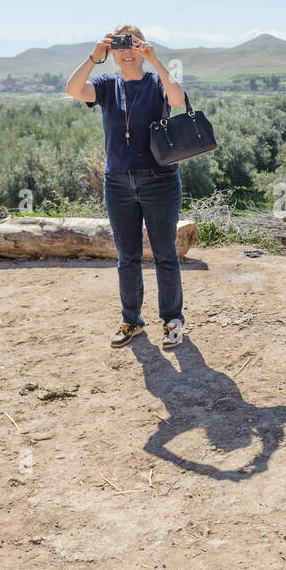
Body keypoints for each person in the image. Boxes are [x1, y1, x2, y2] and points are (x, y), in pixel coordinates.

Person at [65, 25, 188, 349]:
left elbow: (176, 98)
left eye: (133, 44)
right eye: (120, 45)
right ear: (113, 53)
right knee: (127, 257)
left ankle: (172, 321)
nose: (127, 51)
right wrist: (94, 57)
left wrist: (155, 59)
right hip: (118, 183)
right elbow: (73, 89)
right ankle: (131, 320)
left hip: (159, 181)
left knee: (165, 255)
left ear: (142, 48)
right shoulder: (107, 86)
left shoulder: (154, 82)